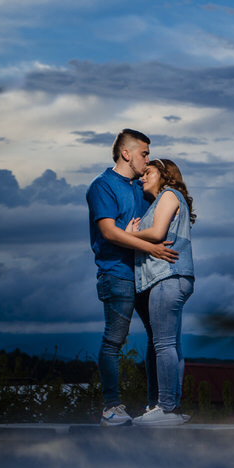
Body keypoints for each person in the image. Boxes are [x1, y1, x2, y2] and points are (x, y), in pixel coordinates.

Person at [87, 129, 178, 426]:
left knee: (159, 339)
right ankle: (111, 407)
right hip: (117, 274)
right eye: (144, 154)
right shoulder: (102, 186)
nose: (148, 160)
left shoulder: (142, 188)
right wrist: (147, 244)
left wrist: (140, 238)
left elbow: (161, 217)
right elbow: (109, 232)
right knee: (115, 340)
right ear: (126, 154)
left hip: (147, 275)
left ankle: (156, 406)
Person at [125, 158, 195, 426]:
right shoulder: (165, 200)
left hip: (167, 277)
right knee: (172, 345)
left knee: (163, 344)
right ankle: (172, 408)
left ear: (165, 175)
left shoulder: (168, 194)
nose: (143, 177)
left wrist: (128, 235)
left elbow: (157, 233)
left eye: (149, 172)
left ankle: (165, 408)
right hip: (176, 277)